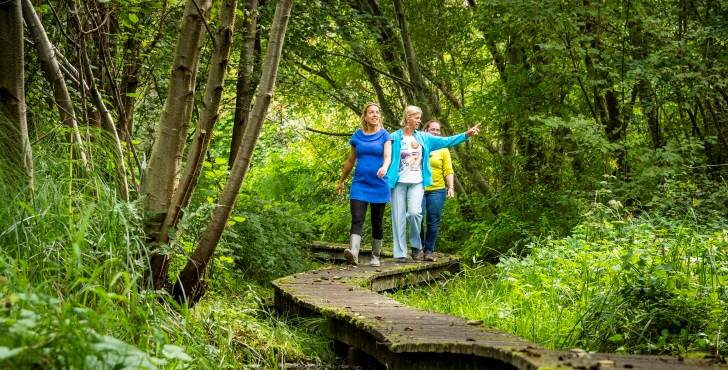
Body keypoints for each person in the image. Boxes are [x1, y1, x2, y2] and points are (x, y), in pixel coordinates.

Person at [386, 106, 479, 262]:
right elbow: (385, 155)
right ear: (408, 117)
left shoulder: (424, 137)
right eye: (417, 118)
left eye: (420, 118)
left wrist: (466, 135)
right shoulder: (393, 137)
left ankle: (416, 246)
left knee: (415, 214)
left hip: (417, 182)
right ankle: (401, 253)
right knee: (398, 217)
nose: (419, 121)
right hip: (398, 182)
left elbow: (446, 141)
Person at [337, 103, 391, 267]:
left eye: (377, 112)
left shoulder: (384, 135)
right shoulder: (357, 136)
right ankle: (354, 253)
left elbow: (388, 156)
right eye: (371, 112)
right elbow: (350, 160)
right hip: (360, 183)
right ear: (365, 116)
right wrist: (341, 180)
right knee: (357, 218)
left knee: (377, 220)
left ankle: (375, 256)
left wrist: (384, 167)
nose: (375, 115)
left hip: (379, 183)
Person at [419, 120, 454, 261]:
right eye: (432, 129)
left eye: (438, 130)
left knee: (433, 220)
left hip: (437, 189)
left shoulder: (443, 149)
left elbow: (448, 170)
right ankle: (418, 248)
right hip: (418, 187)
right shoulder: (418, 145)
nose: (435, 132)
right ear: (426, 130)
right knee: (417, 218)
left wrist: (450, 187)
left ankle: (429, 251)